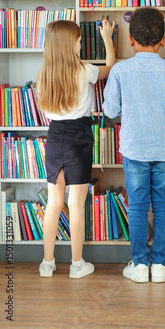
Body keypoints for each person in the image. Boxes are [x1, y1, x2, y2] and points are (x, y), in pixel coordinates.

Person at [103, 7, 165, 283]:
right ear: (163, 40)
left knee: (137, 206)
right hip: (164, 149)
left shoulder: (120, 70)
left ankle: (139, 265)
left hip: (135, 148)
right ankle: (160, 264)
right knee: (163, 205)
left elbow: (111, 109)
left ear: (130, 39)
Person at [37, 19, 116, 278]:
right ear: (70, 44)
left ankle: (47, 263)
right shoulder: (84, 70)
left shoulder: (43, 75)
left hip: (54, 136)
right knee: (76, 203)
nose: (82, 44)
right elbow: (110, 69)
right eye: (80, 40)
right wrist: (106, 37)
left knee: (54, 203)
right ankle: (77, 264)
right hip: (78, 136)